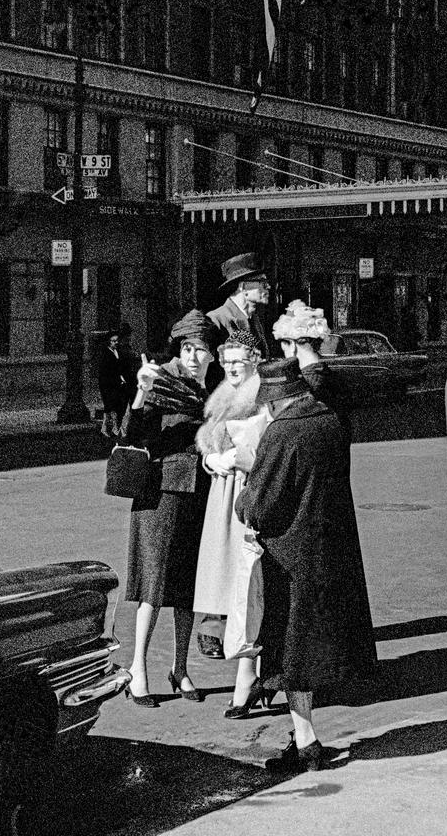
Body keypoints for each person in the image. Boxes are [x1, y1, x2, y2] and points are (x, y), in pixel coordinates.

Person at [236, 358, 377, 773]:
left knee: (288, 653)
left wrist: (246, 477)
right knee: (304, 653)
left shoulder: (282, 433)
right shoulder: (330, 421)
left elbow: (259, 507)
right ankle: (304, 739)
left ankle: (308, 743)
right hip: (329, 549)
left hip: (289, 558)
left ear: (276, 401)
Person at [123, 309, 216, 706]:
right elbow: (132, 432)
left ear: (212, 354)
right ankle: (137, 669)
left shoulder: (215, 388)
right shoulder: (161, 379)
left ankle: (180, 669)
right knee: (153, 587)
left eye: (201, 350)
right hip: (160, 496)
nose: (194, 357)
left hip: (199, 494)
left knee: (187, 589)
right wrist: (142, 392)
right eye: (188, 348)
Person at [193, 331, 271, 718]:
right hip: (221, 496)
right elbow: (209, 441)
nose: (231, 368)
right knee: (229, 587)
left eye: (238, 360)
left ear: (255, 358)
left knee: (247, 585)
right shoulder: (223, 395)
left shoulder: (264, 396)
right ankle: (251, 672)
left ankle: (247, 678)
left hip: (247, 494)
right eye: (226, 361)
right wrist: (211, 461)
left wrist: (237, 459)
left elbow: (272, 452)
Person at [200, 250, 272, 658]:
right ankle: (214, 626)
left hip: (250, 430)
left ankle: (241, 621)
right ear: (244, 287)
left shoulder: (251, 321)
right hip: (225, 429)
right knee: (220, 541)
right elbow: (214, 379)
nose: (266, 289)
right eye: (260, 283)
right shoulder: (217, 321)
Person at [207, 252, 271, 361]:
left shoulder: (254, 319)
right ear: (243, 287)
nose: (268, 287)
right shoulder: (215, 319)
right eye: (263, 283)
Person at [97, 329, 134, 439]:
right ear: (109, 342)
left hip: (117, 383)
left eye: (117, 340)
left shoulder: (118, 352)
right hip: (108, 384)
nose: (116, 343)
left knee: (115, 406)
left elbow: (120, 367)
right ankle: (112, 428)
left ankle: (109, 428)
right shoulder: (105, 354)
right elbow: (106, 371)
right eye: (113, 341)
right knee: (110, 406)